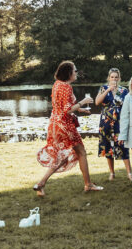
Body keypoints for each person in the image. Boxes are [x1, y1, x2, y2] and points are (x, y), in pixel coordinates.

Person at [34, 61, 102, 196]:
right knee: (81, 152)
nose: (76, 73)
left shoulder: (56, 85)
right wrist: (83, 101)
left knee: (63, 156)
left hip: (55, 124)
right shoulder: (66, 87)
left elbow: (61, 107)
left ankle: (41, 184)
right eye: (75, 71)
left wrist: (81, 109)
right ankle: (88, 185)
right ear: (69, 73)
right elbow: (67, 110)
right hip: (65, 126)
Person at [96, 68, 132, 182]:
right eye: (112, 77)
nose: (114, 79)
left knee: (123, 146)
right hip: (106, 122)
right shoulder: (103, 88)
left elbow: (129, 106)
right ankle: (112, 172)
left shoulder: (124, 91)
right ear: (109, 78)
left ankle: (129, 173)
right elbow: (97, 102)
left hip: (119, 122)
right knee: (107, 147)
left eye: (116, 77)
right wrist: (107, 91)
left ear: (119, 78)